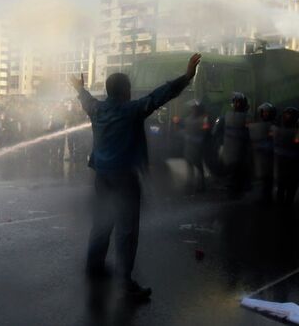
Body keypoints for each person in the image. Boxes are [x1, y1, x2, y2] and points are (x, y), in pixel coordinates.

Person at [70, 53, 201, 302]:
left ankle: (94, 266)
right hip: (124, 178)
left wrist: (80, 88)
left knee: (102, 222)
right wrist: (186, 77)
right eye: (129, 88)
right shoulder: (131, 111)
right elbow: (159, 96)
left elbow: (86, 101)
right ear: (125, 91)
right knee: (127, 230)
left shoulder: (97, 109)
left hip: (102, 175)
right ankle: (125, 283)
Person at [214, 92, 251, 198]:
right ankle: (233, 189)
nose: (237, 104)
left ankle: (239, 189)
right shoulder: (227, 115)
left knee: (240, 169)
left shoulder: (247, 116)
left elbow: (250, 131)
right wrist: (220, 142)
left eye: (239, 102)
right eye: (235, 102)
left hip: (241, 147)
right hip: (229, 147)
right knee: (231, 168)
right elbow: (218, 130)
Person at [249, 102, 276, 203]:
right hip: (262, 154)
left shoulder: (273, 125)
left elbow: (272, 139)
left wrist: (261, 145)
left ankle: (267, 197)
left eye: (267, 112)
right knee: (264, 177)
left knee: (268, 177)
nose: (265, 114)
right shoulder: (260, 124)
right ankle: (265, 196)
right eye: (263, 112)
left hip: (270, 154)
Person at [273, 107, 299, 205]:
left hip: (289, 159)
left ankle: (286, 201)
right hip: (287, 158)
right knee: (284, 182)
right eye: (286, 115)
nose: (287, 117)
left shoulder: (296, 130)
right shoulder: (295, 130)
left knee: (288, 182)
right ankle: (284, 201)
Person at [183, 100, 210, 194]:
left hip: (197, 145)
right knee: (190, 165)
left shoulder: (202, 119)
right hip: (190, 145)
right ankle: (190, 183)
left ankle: (201, 184)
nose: (193, 110)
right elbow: (186, 131)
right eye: (192, 108)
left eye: (195, 108)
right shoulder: (188, 119)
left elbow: (205, 131)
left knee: (198, 166)